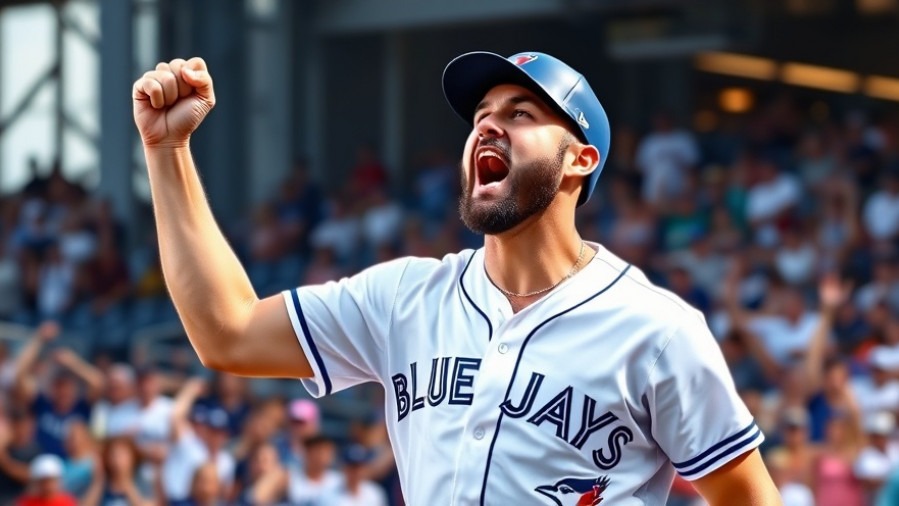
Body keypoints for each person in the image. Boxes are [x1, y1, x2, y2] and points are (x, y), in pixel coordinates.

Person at [133, 51, 780, 504]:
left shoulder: (657, 328)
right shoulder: (403, 296)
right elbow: (228, 333)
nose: (488, 124)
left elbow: (746, 498)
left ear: (580, 159)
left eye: (522, 113)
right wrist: (168, 153)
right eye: (480, 115)